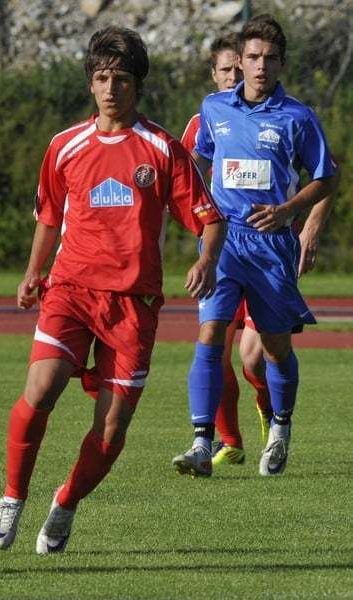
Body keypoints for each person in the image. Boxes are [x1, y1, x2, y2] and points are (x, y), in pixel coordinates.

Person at [0, 25, 226, 554]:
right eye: (101, 77)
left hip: (133, 306)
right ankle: (11, 496)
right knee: (42, 387)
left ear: (136, 84)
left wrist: (207, 258)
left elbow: (209, 218)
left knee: (113, 429)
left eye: (120, 77)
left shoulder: (162, 148)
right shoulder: (64, 147)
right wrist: (33, 271)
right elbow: (49, 215)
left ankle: (65, 503)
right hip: (70, 290)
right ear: (90, 85)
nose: (110, 86)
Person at [172, 14, 338, 478]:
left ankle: (280, 427)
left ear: (281, 63)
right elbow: (198, 163)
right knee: (209, 334)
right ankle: (202, 441)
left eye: (269, 58)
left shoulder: (298, 117)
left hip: (271, 246)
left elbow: (328, 176)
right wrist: (198, 216)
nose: (260, 66)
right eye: (252, 58)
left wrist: (289, 212)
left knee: (274, 346)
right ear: (239, 61)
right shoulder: (214, 109)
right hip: (225, 242)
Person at [181, 33, 274, 468]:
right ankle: (227, 441)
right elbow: (181, 181)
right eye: (226, 70)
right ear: (213, 75)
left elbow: (315, 174)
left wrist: (305, 226)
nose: (235, 77)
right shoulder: (205, 121)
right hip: (222, 251)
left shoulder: (277, 115)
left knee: (253, 357)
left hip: (267, 248)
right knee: (214, 345)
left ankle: (269, 406)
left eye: (241, 68)